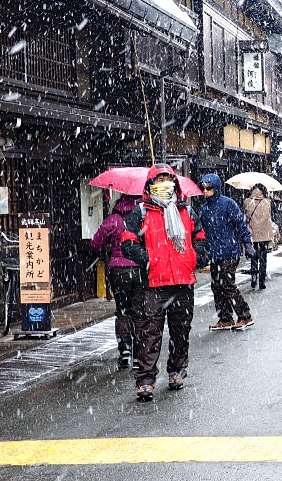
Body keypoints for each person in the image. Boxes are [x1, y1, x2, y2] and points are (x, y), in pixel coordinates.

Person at [121, 164, 208, 402]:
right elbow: (127, 243)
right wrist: (148, 259)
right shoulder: (140, 213)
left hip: (183, 282)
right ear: (150, 187)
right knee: (149, 332)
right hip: (153, 283)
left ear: (175, 185)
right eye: (158, 183)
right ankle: (146, 380)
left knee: (181, 330)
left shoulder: (187, 212)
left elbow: (200, 239)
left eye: (168, 182)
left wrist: (194, 258)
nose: (164, 187)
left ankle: (177, 371)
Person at [89, 193, 143, 368]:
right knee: (139, 312)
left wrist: (111, 244)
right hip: (139, 268)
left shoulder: (113, 220)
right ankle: (138, 354)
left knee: (123, 310)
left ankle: (125, 350)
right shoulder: (144, 217)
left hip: (118, 270)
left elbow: (95, 244)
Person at [198, 173, 255, 331]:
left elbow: (240, 224)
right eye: (203, 188)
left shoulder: (228, 203)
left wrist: (248, 244)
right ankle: (225, 317)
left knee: (228, 284)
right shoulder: (204, 208)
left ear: (216, 188)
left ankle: (245, 315)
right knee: (216, 285)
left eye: (208, 188)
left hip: (230, 250)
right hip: (215, 252)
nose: (205, 191)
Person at [243, 183, 273, 290]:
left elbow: (246, 216)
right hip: (264, 234)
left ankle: (254, 277)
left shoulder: (247, 201)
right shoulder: (267, 202)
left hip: (253, 233)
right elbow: (269, 215)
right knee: (263, 257)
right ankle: (262, 281)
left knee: (254, 256)